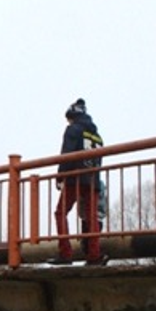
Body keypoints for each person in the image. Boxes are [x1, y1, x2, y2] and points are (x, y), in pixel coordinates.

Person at [55, 98, 105, 264]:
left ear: (72, 116)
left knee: (60, 213)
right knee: (92, 218)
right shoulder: (97, 136)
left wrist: (60, 176)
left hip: (75, 178)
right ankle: (94, 255)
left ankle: (65, 253)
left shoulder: (73, 129)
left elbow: (67, 154)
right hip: (93, 181)